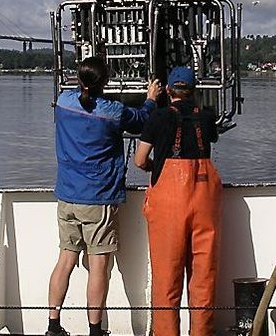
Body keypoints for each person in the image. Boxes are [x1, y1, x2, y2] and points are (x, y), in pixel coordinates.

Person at [48, 56, 163, 336]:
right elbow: (141, 120)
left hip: (66, 195)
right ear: (106, 82)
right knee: (98, 263)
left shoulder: (63, 102)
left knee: (66, 259)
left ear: (79, 79)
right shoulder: (112, 112)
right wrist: (150, 98)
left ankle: (53, 325)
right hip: (98, 198)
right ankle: (95, 330)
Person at [133, 67, 221, 336]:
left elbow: (139, 160)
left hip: (169, 202)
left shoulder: (157, 118)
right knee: (203, 278)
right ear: (194, 92)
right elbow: (208, 144)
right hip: (204, 199)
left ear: (168, 90)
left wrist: (153, 166)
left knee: (167, 280)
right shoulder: (206, 119)